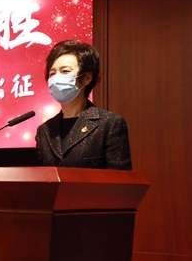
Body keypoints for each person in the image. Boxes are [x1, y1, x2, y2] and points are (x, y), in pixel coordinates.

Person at [35, 40, 132, 170]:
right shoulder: (45, 131)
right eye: (52, 73)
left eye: (65, 71)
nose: (56, 78)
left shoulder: (109, 124)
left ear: (87, 78)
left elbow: (120, 180)